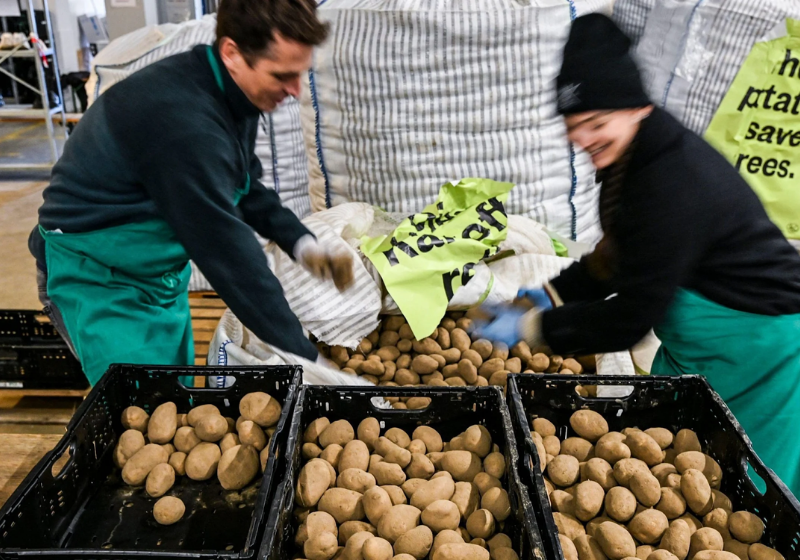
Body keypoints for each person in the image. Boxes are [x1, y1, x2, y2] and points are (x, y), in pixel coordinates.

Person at [478, 14, 800, 495]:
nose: (583, 139)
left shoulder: (673, 180)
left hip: (761, 345)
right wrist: (549, 293)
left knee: (747, 481)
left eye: (596, 124)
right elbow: (619, 254)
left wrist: (534, 329)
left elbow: (630, 320)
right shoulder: (635, 154)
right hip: (696, 339)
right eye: (574, 126)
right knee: (676, 457)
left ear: (636, 108)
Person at [29, 0, 351, 385]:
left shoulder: (227, 92)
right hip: (98, 278)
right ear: (232, 52)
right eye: (282, 76)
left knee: (176, 400)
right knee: (139, 413)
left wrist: (299, 241)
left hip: (154, 274)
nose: (296, 91)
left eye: (301, 74)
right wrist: (306, 358)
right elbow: (229, 255)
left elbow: (243, 184)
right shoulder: (183, 121)